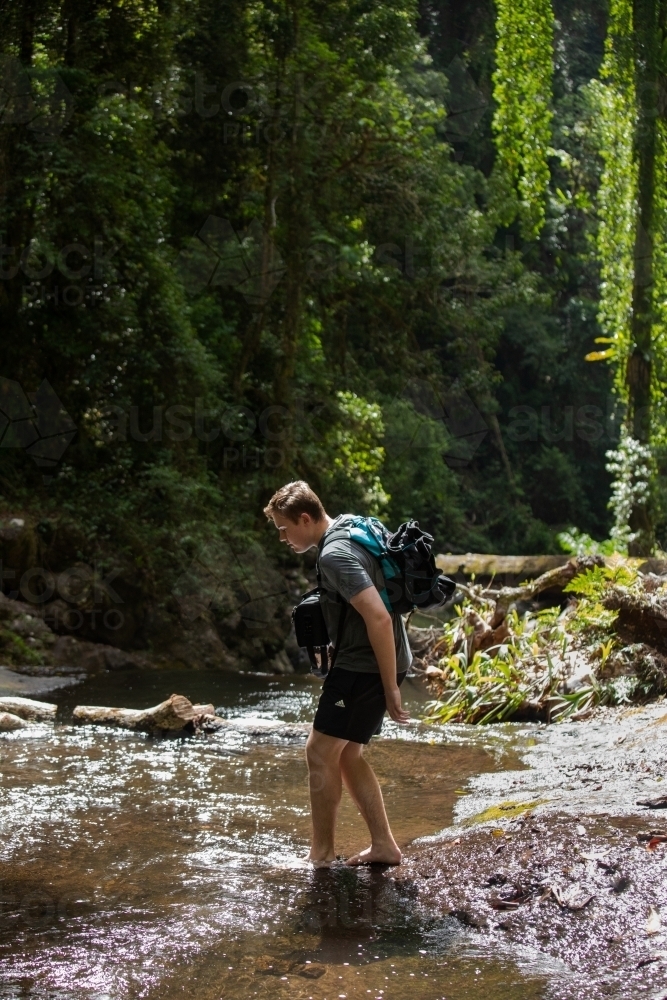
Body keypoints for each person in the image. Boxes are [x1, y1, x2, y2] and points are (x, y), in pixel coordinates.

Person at [263, 480, 412, 866]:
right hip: (377, 658)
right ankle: (383, 847)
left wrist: (390, 687)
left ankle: (322, 854)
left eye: (283, 528)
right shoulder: (351, 524)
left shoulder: (333, 554)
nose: (281, 537)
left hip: (365, 665)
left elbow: (378, 616)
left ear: (306, 518)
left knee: (318, 750)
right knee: (347, 755)